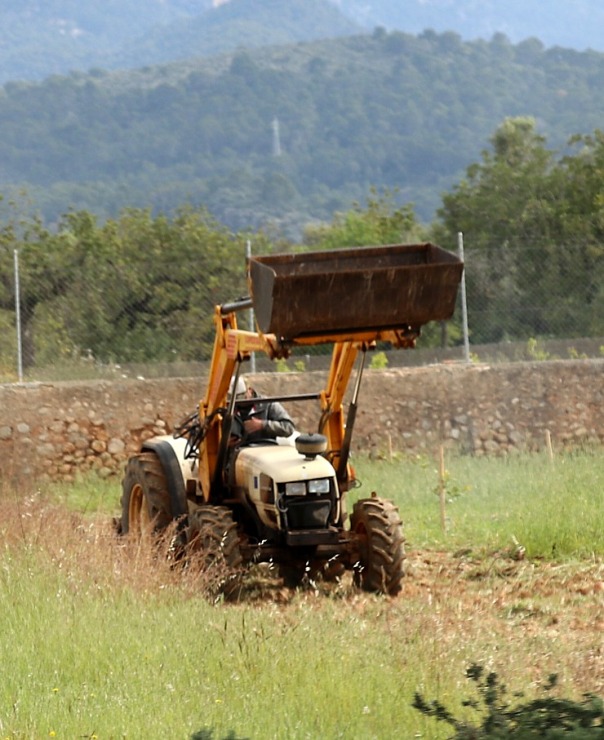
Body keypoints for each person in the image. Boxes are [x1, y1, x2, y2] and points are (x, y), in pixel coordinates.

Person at [227, 376, 295, 444]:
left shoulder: (268, 404)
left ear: (250, 390)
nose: (237, 401)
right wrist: (225, 443)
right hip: (238, 452)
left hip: (265, 449)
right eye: (233, 398)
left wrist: (263, 425)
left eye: (240, 396)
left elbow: (288, 427)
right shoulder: (227, 409)